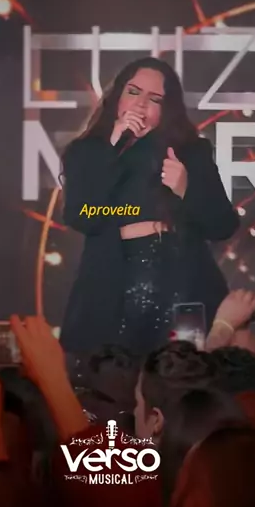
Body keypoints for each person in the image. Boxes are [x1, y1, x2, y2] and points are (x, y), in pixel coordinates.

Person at [60, 57, 239, 359]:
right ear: (118, 97)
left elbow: (223, 225)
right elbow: (83, 216)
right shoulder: (88, 151)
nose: (141, 104)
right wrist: (112, 149)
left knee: (180, 373)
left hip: (182, 279)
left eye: (154, 99)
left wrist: (186, 189)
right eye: (133, 92)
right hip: (114, 279)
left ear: (166, 109)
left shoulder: (190, 151)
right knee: (112, 377)